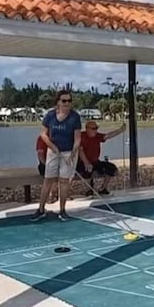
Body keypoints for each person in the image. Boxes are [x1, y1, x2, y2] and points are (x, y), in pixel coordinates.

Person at [30, 90, 82, 222]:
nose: (67, 103)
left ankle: (62, 210)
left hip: (68, 152)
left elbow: (77, 139)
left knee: (64, 181)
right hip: (53, 151)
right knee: (48, 180)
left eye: (69, 101)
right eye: (64, 101)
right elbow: (43, 134)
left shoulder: (75, 117)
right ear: (58, 102)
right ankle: (41, 209)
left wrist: (73, 153)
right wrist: (54, 148)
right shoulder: (50, 115)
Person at [77, 120, 126, 196]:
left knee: (111, 168)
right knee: (87, 170)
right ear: (87, 129)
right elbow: (80, 150)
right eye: (93, 128)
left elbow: (108, 135)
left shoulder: (97, 136)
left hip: (95, 161)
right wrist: (86, 162)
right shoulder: (82, 136)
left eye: (96, 128)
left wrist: (120, 130)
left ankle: (103, 188)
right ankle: (89, 190)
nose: (95, 130)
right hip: (82, 162)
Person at [36, 135, 58, 201]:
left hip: (57, 162)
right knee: (50, 173)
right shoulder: (42, 138)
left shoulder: (59, 137)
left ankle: (55, 193)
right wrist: (46, 164)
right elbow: (40, 153)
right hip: (45, 164)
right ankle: (50, 194)